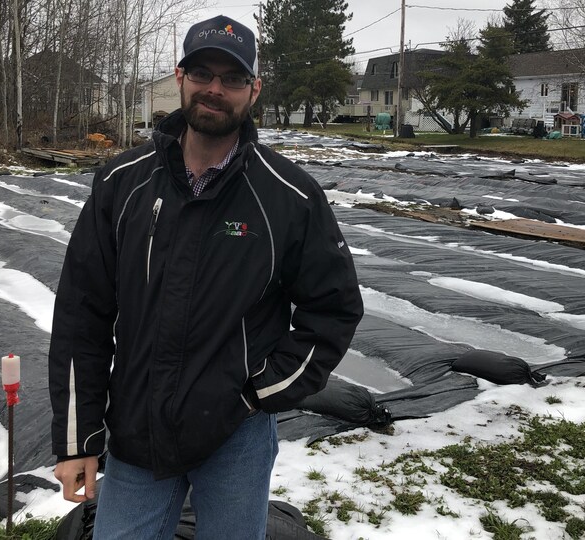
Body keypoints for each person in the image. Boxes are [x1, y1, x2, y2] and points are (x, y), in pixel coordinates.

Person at [48, 15, 364, 539]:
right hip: (135, 431)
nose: (215, 89)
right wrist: (77, 439)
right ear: (181, 77)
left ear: (254, 89)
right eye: (202, 73)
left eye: (233, 78)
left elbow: (332, 311)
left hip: (235, 435)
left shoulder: (289, 196)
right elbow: (83, 313)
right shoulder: (121, 184)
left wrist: (257, 394)